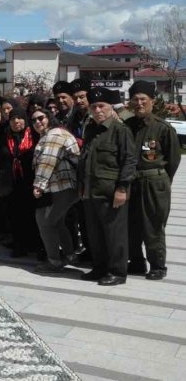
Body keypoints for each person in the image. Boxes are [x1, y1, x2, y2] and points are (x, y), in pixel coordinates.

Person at [78, 87, 137, 286]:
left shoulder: (121, 131)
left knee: (114, 235)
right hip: (90, 191)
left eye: (102, 106)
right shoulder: (91, 130)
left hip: (111, 191)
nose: (97, 110)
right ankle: (100, 267)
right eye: (94, 107)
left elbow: (129, 161)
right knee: (95, 234)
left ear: (111, 107)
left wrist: (122, 188)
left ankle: (117, 272)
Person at [125, 80, 181, 280]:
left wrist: (160, 181)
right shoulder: (127, 126)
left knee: (153, 225)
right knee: (131, 225)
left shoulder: (163, 128)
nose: (139, 103)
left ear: (152, 101)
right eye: (135, 99)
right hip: (131, 182)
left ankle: (158, 265)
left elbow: (173, 160)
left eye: (143, 99)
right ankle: (137, 262)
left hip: (154, 183)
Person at [31, 108, 81, 273]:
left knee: (46, 222)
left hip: (63, 185)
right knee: (57, 222)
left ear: (49, 117)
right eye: (34, 120)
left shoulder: (55, 134)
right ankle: (69, 255)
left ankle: (54, 261)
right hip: (60, 186)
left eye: (41, 118)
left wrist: (39, 185)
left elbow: (48, 160)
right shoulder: (48, 135)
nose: (38, 122)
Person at [0, 108, 39, 257]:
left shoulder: (34, 136)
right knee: (14, 216)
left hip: (30, 183)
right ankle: (19, 245)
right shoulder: (4, 138)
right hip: (10, 184)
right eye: (13, 119)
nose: (16, 122)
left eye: (19, 118)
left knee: (31, 215)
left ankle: (33, 244)